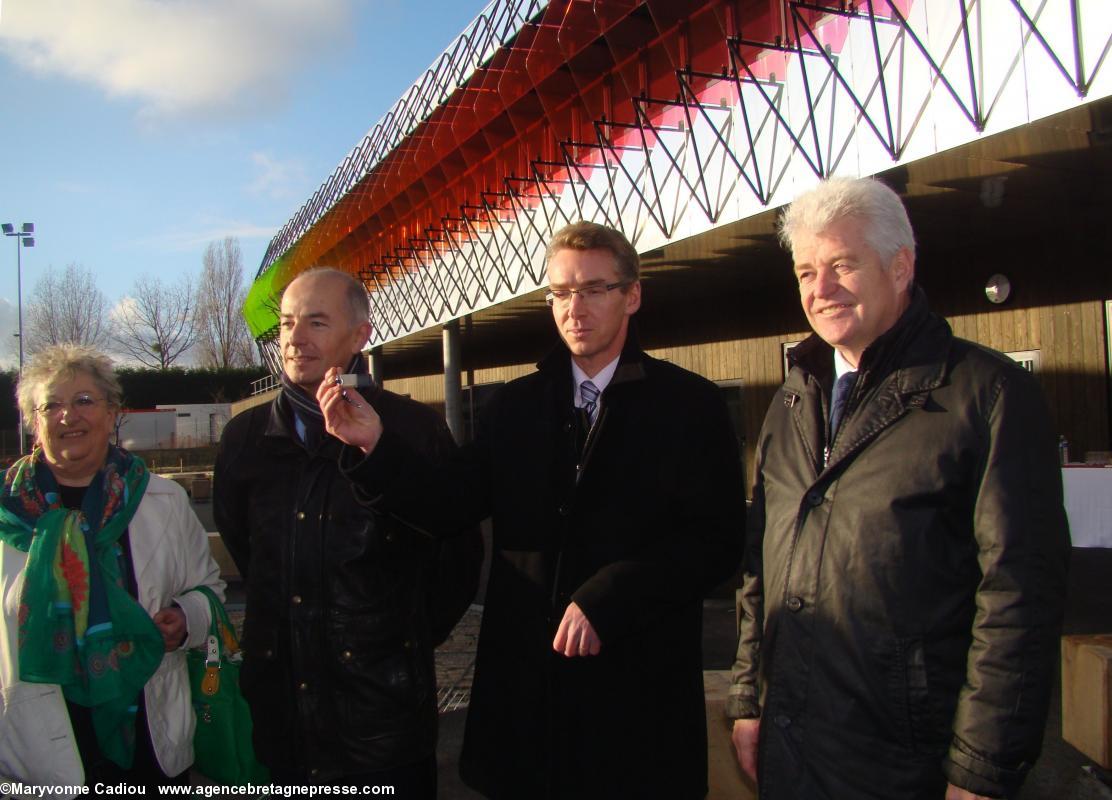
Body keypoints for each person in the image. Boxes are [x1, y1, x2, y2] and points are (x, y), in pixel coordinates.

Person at [317, 221, 746, 799]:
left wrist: (614, 594)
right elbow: (448, 504)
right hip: (528, 706)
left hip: (636, 701)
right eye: (560, 292)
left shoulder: (690, 405)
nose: (575, 308)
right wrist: (376, 445)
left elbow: (717, 542)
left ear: (632, 295)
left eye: (593, 289)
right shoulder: (514, 406)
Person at [726, 177, 1070, 799]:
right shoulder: (790, 402)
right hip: (790, 746)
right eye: (806, 272)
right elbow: (760, 567)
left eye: (842, 265)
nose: (821, 289)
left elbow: (1018, 596)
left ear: (901, 266)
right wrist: (748, 697)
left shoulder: (987, 398)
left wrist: (981, 767)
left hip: (908, 761)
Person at [213, 267, 481, 797]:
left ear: (360, 335)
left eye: (316, 322)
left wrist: (394, 641)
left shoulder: (412, 429)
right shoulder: (245, 438)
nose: (294, 338)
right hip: (283, 720)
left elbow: (457, 558)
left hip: (383, 724)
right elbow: (250, 554)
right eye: (287, 323)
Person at [0, 344, 224, 792]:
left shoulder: (163, 500)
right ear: (32, 422)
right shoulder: (6, 514)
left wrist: (186, 618)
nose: (69, 416)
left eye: (84, 400)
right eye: (51, 405)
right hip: (36, 750)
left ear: (111, 413)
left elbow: (210, 590)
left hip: (151, 738)